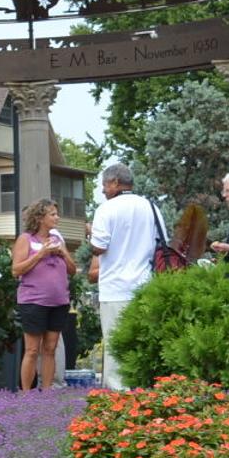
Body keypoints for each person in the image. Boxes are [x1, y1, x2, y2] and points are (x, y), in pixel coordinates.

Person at [90, 162, 162, 390]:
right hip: (144, 285)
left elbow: (99, 248)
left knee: (114, 342)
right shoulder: (150, 207)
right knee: (139, 341)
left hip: (115, 287)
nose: (103, 190)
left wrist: (89, 234)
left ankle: (117, 397)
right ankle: (142, 389)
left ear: (114, 183)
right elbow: (162, 243)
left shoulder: (106, 209)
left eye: (104, 185)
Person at [11, 199, 77, 391]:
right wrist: (41, 254)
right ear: (40, 218)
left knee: (50, 349)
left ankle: (46, 394)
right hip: (33, 302)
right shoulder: (26, 239)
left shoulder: (57, 239)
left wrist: (63, 252)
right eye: (53, 214)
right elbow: (16, 270)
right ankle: (26, 395)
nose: (57, 217)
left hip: (59, 302)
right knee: (32, 350)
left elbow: (72, 270)